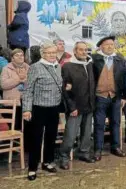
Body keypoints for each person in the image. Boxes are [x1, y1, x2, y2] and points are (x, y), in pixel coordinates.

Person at [22, 41, 63, 181]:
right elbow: (28, 90)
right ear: (43, 54)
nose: (52, 55)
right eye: (49, 53)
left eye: (54, 52)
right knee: (36, 139)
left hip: (54, 108)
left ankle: (47, 162)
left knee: (51, 137)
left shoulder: (58, 67)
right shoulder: (35, 67)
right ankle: (32, 168)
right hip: (38, 108)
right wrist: (27, 109)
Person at [59, 42, 96, 170]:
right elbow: (65, 90)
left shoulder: (90, 65)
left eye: (86, 50)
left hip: (89, 105)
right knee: (71, 134)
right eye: (81, 50)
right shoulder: (67, 66)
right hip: (75, 107)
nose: (84, 52)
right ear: (75, 51)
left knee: (87, 133)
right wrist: (71, 107)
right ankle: (64, 157)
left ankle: (84, 153)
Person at [92, 36, 126, 161]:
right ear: (101, 46)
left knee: (116, 123)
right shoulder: (94, 59)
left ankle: (115, 147)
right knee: (99, 124)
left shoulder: (119, 59)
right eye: (106, 44)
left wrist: (124, 96)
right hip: (99, 96)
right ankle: (98, 149)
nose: (109, 46)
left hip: (115, 96)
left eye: (111, 44)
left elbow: (124, 78)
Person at [1, 49, 29, 130]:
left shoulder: (29, 68)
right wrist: (18, 80)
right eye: (17, 55)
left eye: (22, 55)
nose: (20, 57)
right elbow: (3, 85)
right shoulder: (6, 68)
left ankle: (25, 142)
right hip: (12, 102)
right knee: (15, 127)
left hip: (26, 102)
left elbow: (33, 84)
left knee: (27, 126)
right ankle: (13, 141)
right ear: (12, 58)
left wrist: (26, 81)